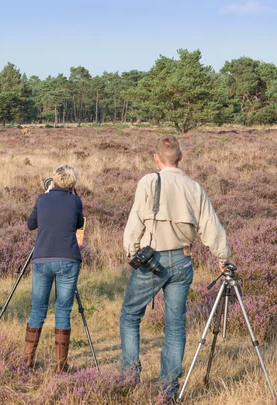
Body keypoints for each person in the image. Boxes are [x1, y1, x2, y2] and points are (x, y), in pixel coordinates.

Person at [120, 135, 232, 400]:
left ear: (156, 159)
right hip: (182, 261)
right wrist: (223, 256)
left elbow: (134, 222)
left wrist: (131, 251)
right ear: (181, 157)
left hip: (150, 261)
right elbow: (211, 227)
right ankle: (168, 390)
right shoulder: (194, 187)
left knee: (130, 315)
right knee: (175, 326)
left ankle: (128, 378)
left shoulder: (148, 182)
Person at [24, 165, 84, 374]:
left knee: (38, 308)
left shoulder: (42, 199)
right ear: (73, 183)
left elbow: (31, 224)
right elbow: (79, 223)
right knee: (63, 310)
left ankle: (28, 361)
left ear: (55, 180)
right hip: (68, 259)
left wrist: (47, 195)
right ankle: (61, 366)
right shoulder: (76, 201)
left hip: (42, 258)